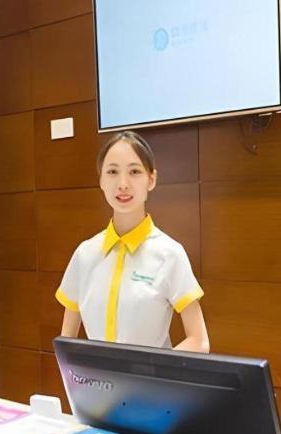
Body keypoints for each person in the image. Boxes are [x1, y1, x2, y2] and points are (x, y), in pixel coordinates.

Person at [56, 131, 209, 353]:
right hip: (95, 377)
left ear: (151, 179)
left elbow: (199, 341)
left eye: (134, 171)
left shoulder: (169, 254)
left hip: (152, 376)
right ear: (101, 181)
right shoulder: (85, 254)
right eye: (112, 172)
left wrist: (152, 369)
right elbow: (66, 340)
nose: (123, 184)